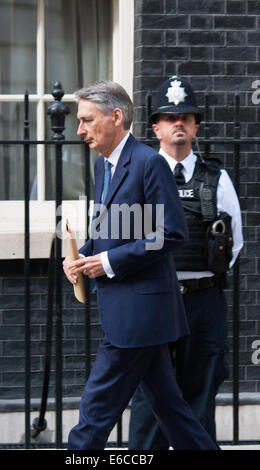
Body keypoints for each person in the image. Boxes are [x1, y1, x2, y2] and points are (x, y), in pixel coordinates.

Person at [62, 80, 218, 450]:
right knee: (172, 410)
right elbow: (109, 233)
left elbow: (172, 232)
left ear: (116, 117)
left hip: (140, 314)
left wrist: (110, 262)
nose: (80, 129)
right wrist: (83, 257)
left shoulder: (149, 163)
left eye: (86, 120)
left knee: (95, 411)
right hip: (127, 311)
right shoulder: (104, 168)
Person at [128, 76, 244, 450]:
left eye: (185, 116)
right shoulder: (137, 174)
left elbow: (234, 243)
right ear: (156, 127)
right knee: (149, 399)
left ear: (195, 125)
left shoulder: (217, 178)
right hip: (154, 300)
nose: (178, 122)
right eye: (169, 117)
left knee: (200, 397)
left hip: (202, 302)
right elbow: (125, 241)